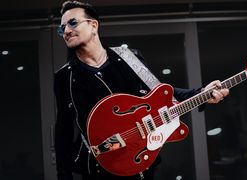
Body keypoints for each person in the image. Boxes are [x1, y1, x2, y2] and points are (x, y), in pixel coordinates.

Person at [54, 1, 229, 180]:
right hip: (98, 168)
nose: (66, 31)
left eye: (73, 23)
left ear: (93, 25)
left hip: (141, 162)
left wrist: (202, 93)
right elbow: (63, 133)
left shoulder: (130, 58)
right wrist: (63, 175)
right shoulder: (63, 78)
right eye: (62, 29)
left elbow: (161, 94)